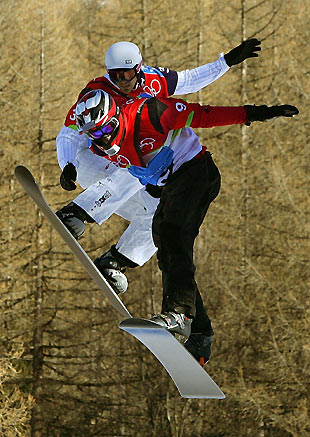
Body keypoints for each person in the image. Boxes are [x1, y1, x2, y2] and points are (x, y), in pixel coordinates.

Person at [57, 88, 298, 365]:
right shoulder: (107, 146)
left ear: (116, 116)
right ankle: (199, 332)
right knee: (166, 247)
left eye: (108, 129)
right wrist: (70, 163)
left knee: (173, 237)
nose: (106, 139)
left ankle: (179, 315)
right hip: (172, 186)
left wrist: (255, 113)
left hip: (197, 173)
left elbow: (205, 115)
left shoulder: (151, 114)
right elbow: (136, 167)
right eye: (96, 136)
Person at [56, 39, 261, 294]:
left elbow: (190, 80)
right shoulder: (97, 93)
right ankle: (77, 213)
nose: (122, 80)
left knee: (161, 214)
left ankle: (117, 261)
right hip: (89, 162)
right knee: (133, 164)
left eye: (127, 73)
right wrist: (68, 164)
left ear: (139, 68)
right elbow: (68, 133)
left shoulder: (154, 80)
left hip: (127, 173)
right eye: (115, 75)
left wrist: (226, 62)